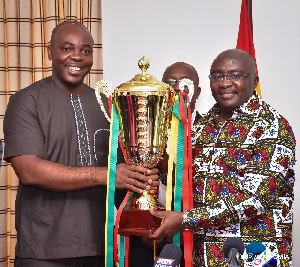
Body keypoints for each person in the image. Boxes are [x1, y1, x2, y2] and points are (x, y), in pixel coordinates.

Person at [3, 21, 159, 267]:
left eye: (86, 51)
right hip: (45, 248)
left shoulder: (108, 105)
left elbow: (124, 168)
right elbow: (29, 170)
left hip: (104, 244)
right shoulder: (26, 101)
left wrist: (142, 176)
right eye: (67, 48)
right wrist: (108, 176)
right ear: (49, 51)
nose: (76, 56)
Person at [150, 49, 296, 266]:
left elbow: (254, 200)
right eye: (218, 76)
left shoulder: (273, 127)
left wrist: (184, 220)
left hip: (256, 257)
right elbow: (190, 186)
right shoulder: (201, 126)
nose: (225, 83)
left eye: (235, 75)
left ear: (254, 80)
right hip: (203, 258)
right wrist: (158, 163)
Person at [128, 62, 201, 267]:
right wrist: (143, 227)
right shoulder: (140, 133)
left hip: (195, 241)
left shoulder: (213, 132)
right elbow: (123, 185)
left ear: (198, 91)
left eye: (185, 83)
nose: (177, 87)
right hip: (146, 244)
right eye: (170, 82)